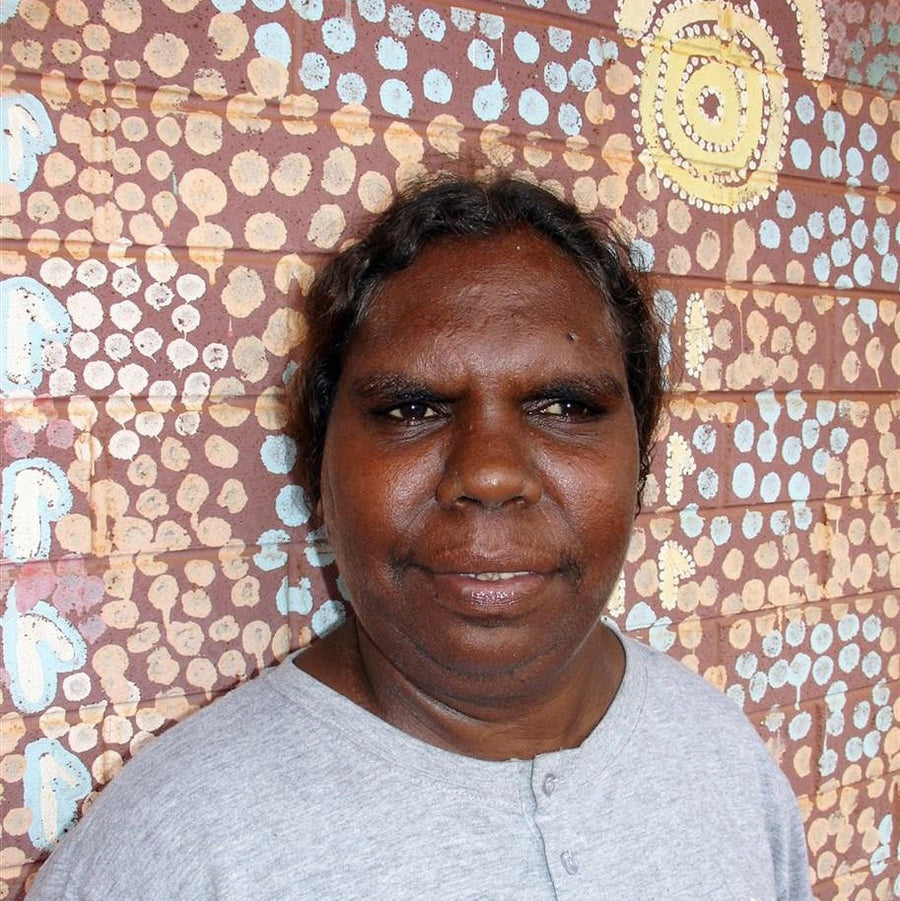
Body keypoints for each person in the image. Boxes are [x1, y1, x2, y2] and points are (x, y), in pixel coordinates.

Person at [29, 175, 811, 899]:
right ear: (318, 471)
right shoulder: (176, 846)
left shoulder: (725, 762)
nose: (491, 472)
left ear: (639, 466)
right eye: (412, 409)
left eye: (565, 407)